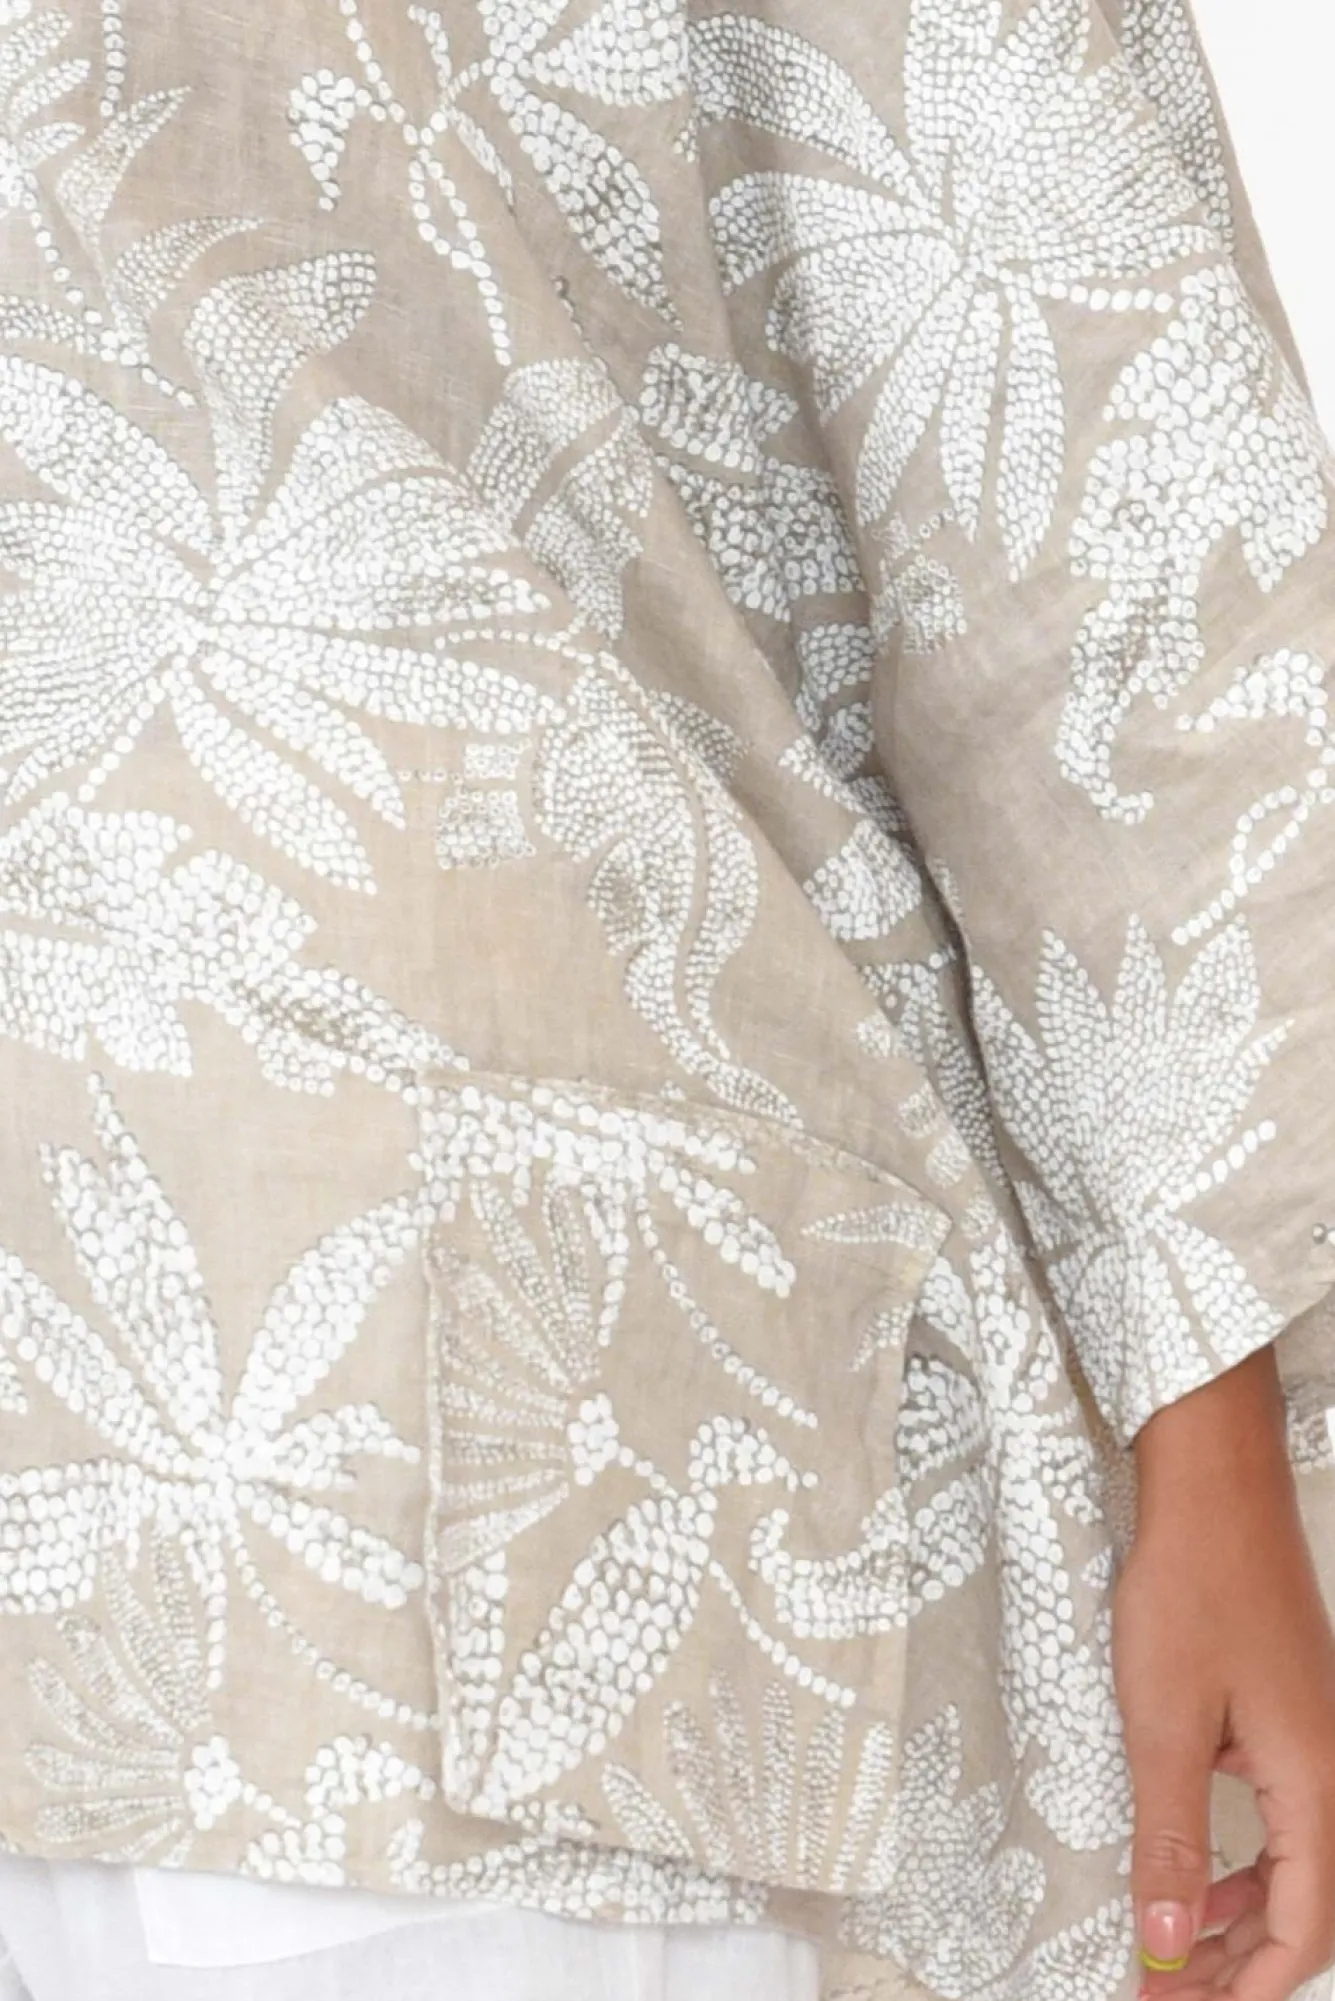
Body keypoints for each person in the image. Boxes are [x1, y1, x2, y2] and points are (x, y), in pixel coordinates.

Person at [0, 1, 1332, 1998]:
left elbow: (1083, 468)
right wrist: (1212, 1442)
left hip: (437, 1351)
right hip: (467, 1329)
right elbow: (1083, 457)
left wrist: (1209, 1439)